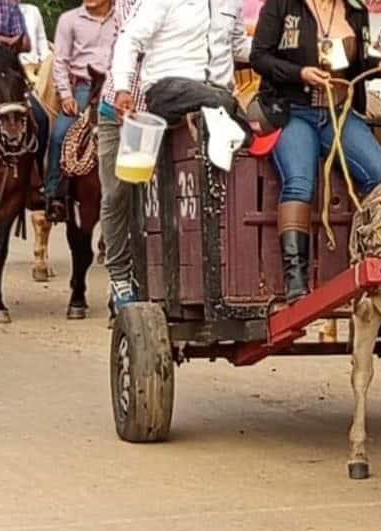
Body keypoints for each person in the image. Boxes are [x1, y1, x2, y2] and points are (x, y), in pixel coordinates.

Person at [102, 0, 251, 309]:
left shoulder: (231, 4)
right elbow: (129, 40)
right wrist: (122, 89)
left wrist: (286, 53)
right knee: (119, 193)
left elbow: (239, 46)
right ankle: (119, 275)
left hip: (213, 102)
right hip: (149, 101)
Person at [250, 0, 381, 303]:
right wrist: (300, 73)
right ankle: (296, 280)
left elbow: (359, 68)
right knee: (299, 182)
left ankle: (370, 259)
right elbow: (259, 58)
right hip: (292, 110)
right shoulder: (281, 5)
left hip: (339, 113)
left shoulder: (355, 11)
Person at [46, 0, 115, 222]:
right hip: (84, 87)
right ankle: (54, 194)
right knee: (59, 134)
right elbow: (60, 62)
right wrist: (66, 95)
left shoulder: (124, 17)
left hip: (117, 85)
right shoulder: (69, 20)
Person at [0, 0, 49, 178]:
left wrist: (0, 40)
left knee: (40, 118)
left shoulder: (7, 6)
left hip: (7, 75)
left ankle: (35, 178)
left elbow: (25, 44)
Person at [17, 1, 49, 70]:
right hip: (14, 67)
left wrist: (44, 60)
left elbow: (41, 38)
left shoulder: (33, 10)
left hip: (35, 64)